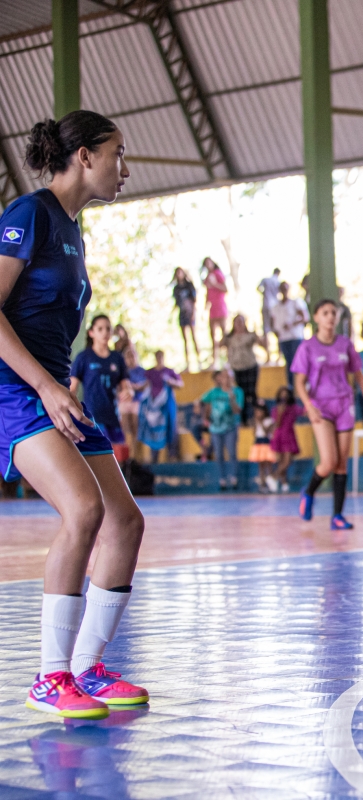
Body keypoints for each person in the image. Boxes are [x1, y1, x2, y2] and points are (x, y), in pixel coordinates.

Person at [0, 109, 146, 718]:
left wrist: (59, 387)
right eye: (117, 153)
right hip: (15, 393)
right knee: (84, 510)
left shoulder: (72, 229)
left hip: (56, 392)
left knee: (125, 522)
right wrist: (45, 386)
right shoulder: (29, 214)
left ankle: (87, 668)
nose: (125, 168)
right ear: (84, 156)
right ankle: (50, 677)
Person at [292, 299, 363, 529]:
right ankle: (309, 491)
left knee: (341, 464)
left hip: (344, 405)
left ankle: (337, 516)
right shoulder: (308, 347)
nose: (330, 316)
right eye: (325, 312)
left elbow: (360, 376)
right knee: (328, 461)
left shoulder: (345, 344)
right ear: (316, 318)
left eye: (333, 312)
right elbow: (299, 382)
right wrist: (308, 405)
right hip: (320, 407)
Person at [70, 315, 131, 462]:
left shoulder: (117, 358)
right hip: (93, 418)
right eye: (100, 329)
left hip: (114, 417)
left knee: (120, 460)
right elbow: (71, 390)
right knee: (101, 459)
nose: (105, 332)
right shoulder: (84, 357)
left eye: (108, 329)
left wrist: (128, 392)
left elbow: (126, 386)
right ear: (91, 332)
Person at [195, 367, 243, 490]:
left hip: (230, 428)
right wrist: (203, 415)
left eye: (228, 377)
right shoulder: (214, 392)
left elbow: (237, 411)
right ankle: (222, 479)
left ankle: (234, 478)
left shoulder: (237, 391)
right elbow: (201, 401)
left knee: (232, 453)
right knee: (219, 455)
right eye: (223, 376)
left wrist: (232, 398)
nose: (226, 379)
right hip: (215, 429)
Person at [222, 313, 265, 425]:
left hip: (250, 366)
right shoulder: (229, 337)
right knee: (241, 394)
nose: (239, 324)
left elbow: (262, 344)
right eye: (237, 322)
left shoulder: (250, 335)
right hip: (236, 368)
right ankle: (244, 419)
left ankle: (258, 418)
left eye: (241, 322)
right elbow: (221, 345)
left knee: (252, 392)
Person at [141, 350, 182, 463]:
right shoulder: (150, 372)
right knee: (154, 428)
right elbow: (144, 385)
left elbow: (180, 384)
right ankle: (154, 457)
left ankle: (172, 455)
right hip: (154, 406)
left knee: (171, 427)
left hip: (167, 405)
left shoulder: (169, 371)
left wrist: (171, 382)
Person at [271, 281, 309, 388]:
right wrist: (276, 332)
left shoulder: (296, 302)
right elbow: (272, 322)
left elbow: (305, 318)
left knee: (298, 361)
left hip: (295, 337)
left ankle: (302, 385)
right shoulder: (275, 307)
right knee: (289, 363)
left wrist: (292, 324)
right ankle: (291, 386)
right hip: (283, 338)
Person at [266, 386, 300, 493]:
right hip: (280, 435)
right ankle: (283, 482)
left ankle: (274, 477)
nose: (284, 398)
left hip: (289, 435)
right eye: (282, 395)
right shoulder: (275, 409)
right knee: (281, 460)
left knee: (288, 460)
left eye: (286, 395)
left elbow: (303, 411)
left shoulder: (293, 408)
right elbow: (277, 424)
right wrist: (280, 413)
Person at [117, 343, 147, 462]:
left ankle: (135, 457)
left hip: (137, 403)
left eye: (132, 356)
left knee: (136, 428)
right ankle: (125, 457)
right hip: (124, 402)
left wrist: (133, 387)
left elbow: (145, 385)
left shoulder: (142, 371)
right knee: (124, 429)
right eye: (128, 356)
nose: (131, 359)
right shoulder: (122, 371)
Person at [201, 257, 228, 366]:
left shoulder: (218, 273)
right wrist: (205, 308)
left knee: (224, 334)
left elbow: (225, 288)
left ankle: (228, 359)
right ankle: (215, 360)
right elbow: (207, 294)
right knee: (213, 335)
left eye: (209, 262)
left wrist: (215, 284)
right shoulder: (207, 277)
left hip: (221, 307)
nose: (208, 265)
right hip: (212, 310)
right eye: (206, 263)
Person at [172, 266, 200, 372]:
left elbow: (194, 300)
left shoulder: (189, 285)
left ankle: (199, 361)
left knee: (194, 337)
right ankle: (188, 363)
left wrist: (193, 313)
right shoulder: (176, 289)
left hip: (190, 313)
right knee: (185, 339)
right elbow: (176, 303)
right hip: (182, 314)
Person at [247, 401, 275, 493]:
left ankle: (271, 482)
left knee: (268, 465)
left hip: (266, 444)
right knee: (261, 466)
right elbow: (255, 433)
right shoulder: (255, 421)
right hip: (258, 443)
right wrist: (255, 423)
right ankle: (262, 483)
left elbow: (266, 432)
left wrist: (260, 422)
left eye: (259, 411)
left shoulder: (269, 421)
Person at [257, 267, 281, 363]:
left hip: (266, 305)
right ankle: (279, 356)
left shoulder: (266, 280)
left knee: (266, 331)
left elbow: (258, 288)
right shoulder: (277, 282)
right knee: (277, 330)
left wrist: (264, 293)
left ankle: (268, 356)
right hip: (274, 306)